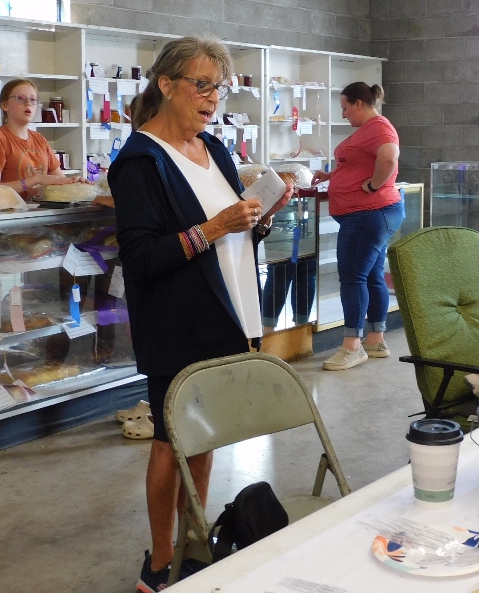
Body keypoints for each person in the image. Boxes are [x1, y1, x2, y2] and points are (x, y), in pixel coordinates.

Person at [109, 35, 291, 592]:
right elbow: (142, 257)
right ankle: (160, 562)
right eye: (203, 85)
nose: (213, 98)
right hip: (177, 320)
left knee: (205, 434)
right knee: (171, 440)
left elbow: (232, 233)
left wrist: (258, 218)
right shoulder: (139, 161)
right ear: (166, 85)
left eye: (220, 88)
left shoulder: (214, 149)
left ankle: (193, 542)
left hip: (227, 312)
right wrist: (215, 227)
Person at [311, 82, 402, 371]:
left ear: (359, 104)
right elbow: (360, 163)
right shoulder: (367, 130)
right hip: (371, 214)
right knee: (372, 275)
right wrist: (333, 176)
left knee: (352, 278)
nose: (343, 114)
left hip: (368, 214)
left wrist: (373, 185)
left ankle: (352, 346)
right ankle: (375, 339)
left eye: (345, 108)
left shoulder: (379, 127)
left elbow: (389, 157)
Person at [0, 78, 78, 197]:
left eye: (33, 99)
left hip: (40, 208)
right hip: (11, 208)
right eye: (20, 98)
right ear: (5, 105)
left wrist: (75, 182)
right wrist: (35, 179)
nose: (28, 103)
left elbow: (59, 180)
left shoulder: (39, 139)